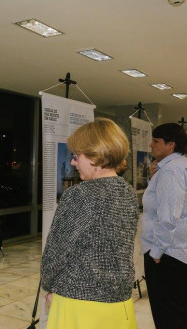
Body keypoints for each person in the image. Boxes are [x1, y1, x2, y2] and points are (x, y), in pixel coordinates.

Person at [41, 118, 139, 329]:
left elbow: (56, 252)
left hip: (78, 301)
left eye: (77, 156)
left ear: (96, 155)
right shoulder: (128, 193)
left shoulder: (80, 195)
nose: (74, 162)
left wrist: (49, 285)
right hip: (119, 302)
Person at [141, 123, 187, 329]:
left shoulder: (170, 171)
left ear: (171, 144)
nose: (151, 145)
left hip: (167, 255)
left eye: (156, 141)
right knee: (177, 311)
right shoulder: (179, 166)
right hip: (177, 252)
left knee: (167, 314)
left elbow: (168, 217)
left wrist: (156, 253)